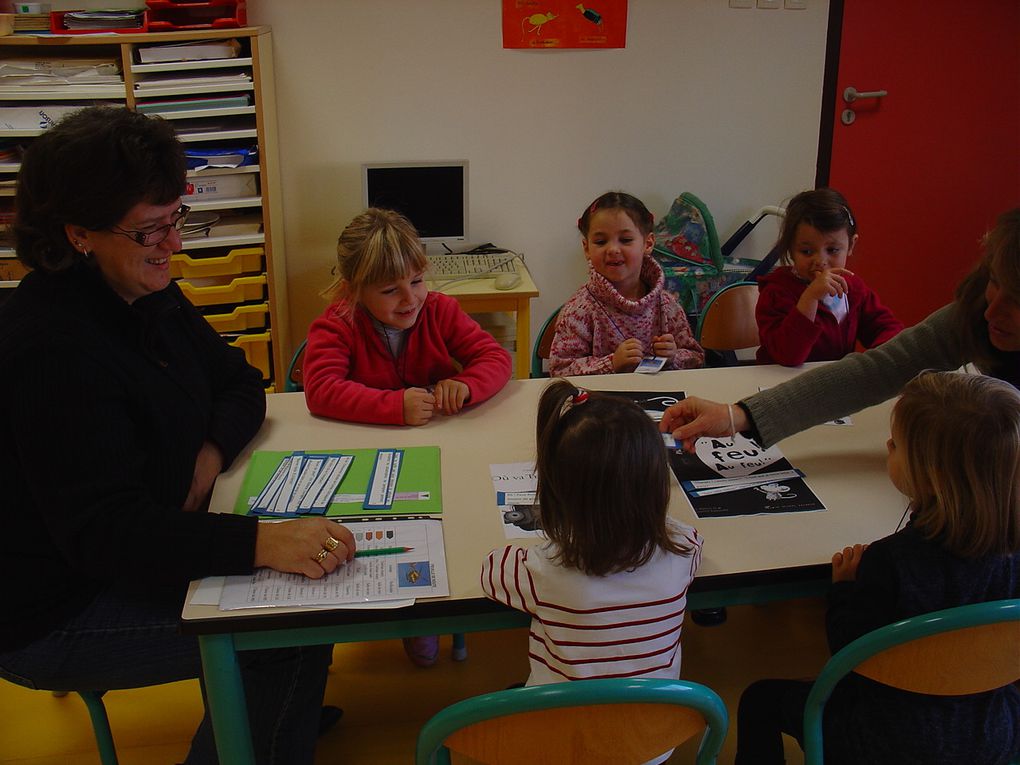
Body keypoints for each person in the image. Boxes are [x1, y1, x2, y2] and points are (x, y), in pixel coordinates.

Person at [0, 106, 356, 765]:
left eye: (175, 220)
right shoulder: (49, 348)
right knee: (287, 625)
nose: (173, 246)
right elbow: (107, 536)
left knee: (296, 601)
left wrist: (207, 455)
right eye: (148, 231)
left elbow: (243, 381)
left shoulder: (144, 291)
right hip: (54, 609)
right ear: (78, 232)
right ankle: (266, 711)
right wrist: (261, 540)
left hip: (140, 539)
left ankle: (274, 710)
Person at [734, 371, 1020, 764]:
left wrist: (845, 589)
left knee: (759, 699)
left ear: (929, 475)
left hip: (885, 739)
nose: (887, 445)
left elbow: (850, 651)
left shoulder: (890, 562)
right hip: (993, 731)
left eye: (897, 445)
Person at [303, 207, 512, 665]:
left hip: (440, 454)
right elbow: (319, 391)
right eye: (390, 290)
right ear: (351, 289)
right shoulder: (337, 323)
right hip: (369, 462)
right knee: (388, 542)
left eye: (417, 281)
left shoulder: (441, 311)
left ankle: (440, 609)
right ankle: (408, 614)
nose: (410, 299)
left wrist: (467, 384)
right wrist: (393, 406)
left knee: (457, 529)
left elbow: (495, 358)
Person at [661, 207, 1020, 450]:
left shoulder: (856, 290)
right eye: (993, 281)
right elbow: (882, 366)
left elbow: (885, 334)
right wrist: (736, 415)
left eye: (1017, 300)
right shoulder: (974, 310)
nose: (993, 311)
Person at [481, 380, 702, 763]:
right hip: (649, 741)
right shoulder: (681, 553)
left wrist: (552, 542)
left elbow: (489, 572)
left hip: (562, 740)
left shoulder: (542, 570)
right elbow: (689, 537)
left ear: (556, 493)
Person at [549, 191, 704, 376]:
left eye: (625, 240)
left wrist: (674, 357)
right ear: (587, 248)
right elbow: (559, 370)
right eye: (600, 241)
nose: (613, 249)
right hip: (602, 403)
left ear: (648, 243)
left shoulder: (668, 306)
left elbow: (696, 358)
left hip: (663, 400)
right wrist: (611, 363)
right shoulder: (578, 311)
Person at [755, 188, 902, 366]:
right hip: (781, 384)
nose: (820, 261)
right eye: (807, 251)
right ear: (790, 250)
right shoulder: (776, 293)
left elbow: (887, 329)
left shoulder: (854, 289)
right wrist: (810, 298)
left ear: (851, 245)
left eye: (832, 250)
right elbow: (788, 356)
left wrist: (876, 362)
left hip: (832, 384)